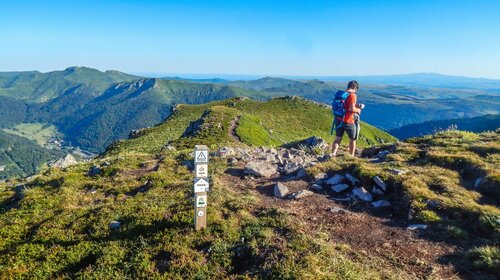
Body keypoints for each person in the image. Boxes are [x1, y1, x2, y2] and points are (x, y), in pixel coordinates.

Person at [332, 80, 363, 156]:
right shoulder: (353, 95)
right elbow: (351, 109)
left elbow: (345, 106)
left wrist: (357, 105)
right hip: (348, 120)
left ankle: (333, 154)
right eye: (356, 89)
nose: (356, 91)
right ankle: (351, 156)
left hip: (338, 119)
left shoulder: (343, 94)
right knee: (352, 140)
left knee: (337, 139)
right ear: (355, 88)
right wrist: (358, 110)